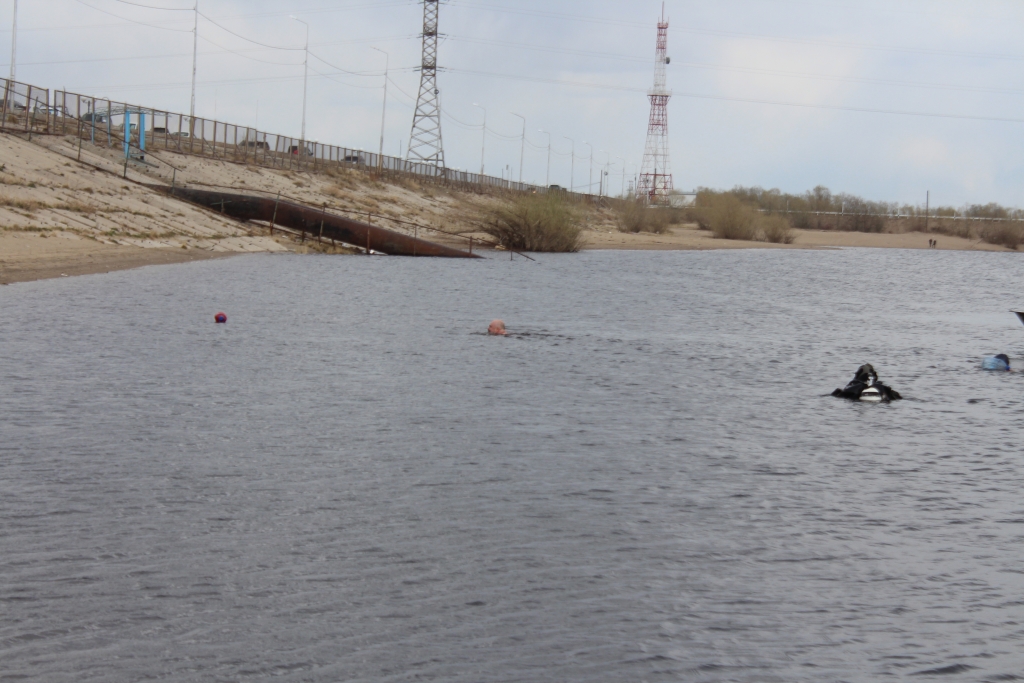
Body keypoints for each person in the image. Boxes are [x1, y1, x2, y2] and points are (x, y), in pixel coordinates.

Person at [832, 363, 902, 402]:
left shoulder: (854, 384)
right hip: (879, 397)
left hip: (861, 396)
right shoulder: (882, 387)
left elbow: (843, 394)